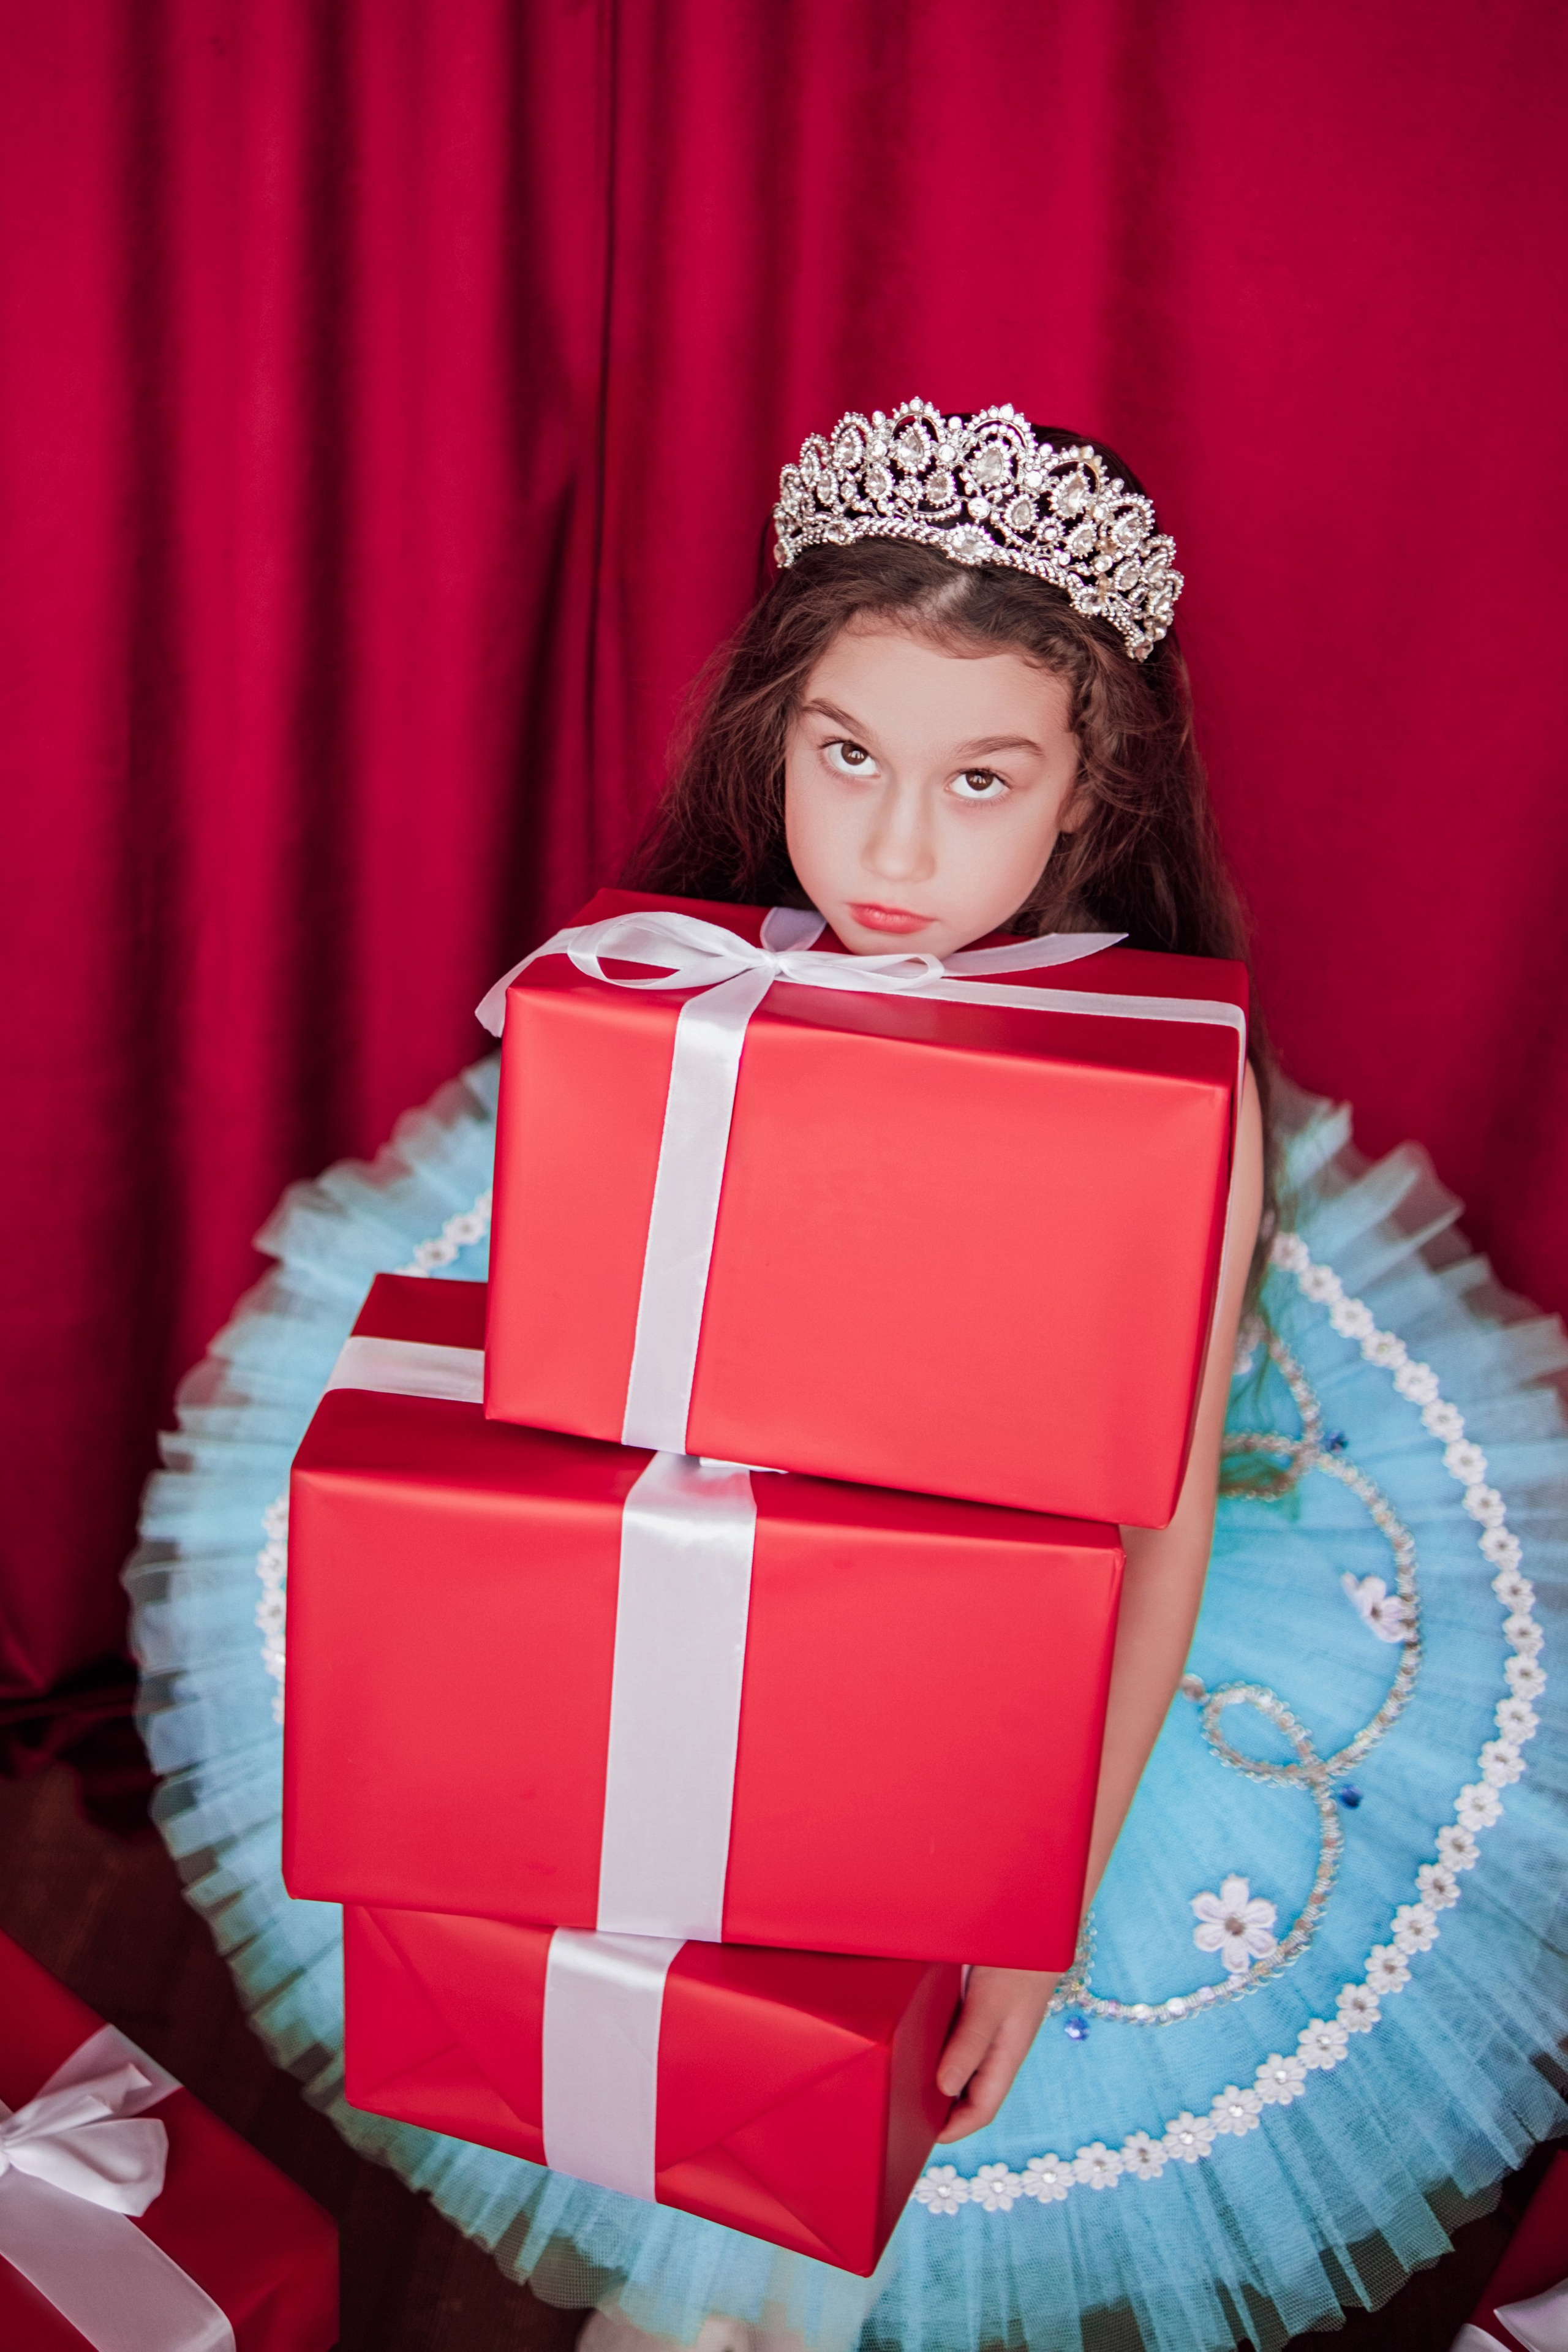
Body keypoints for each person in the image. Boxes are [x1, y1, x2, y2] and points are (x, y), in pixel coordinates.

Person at [128, 400, 1567, 2352]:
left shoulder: (1174, 1121)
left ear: (1087, 795)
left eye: (983, 781)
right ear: (772, 739)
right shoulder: (673, 1021)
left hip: (999, 1708)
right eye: (849, 757)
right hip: (705, 1658)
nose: (897, 848)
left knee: (888, 2172)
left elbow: (1145, 1538)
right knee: (680, 2072)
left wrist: (1028, 1924)